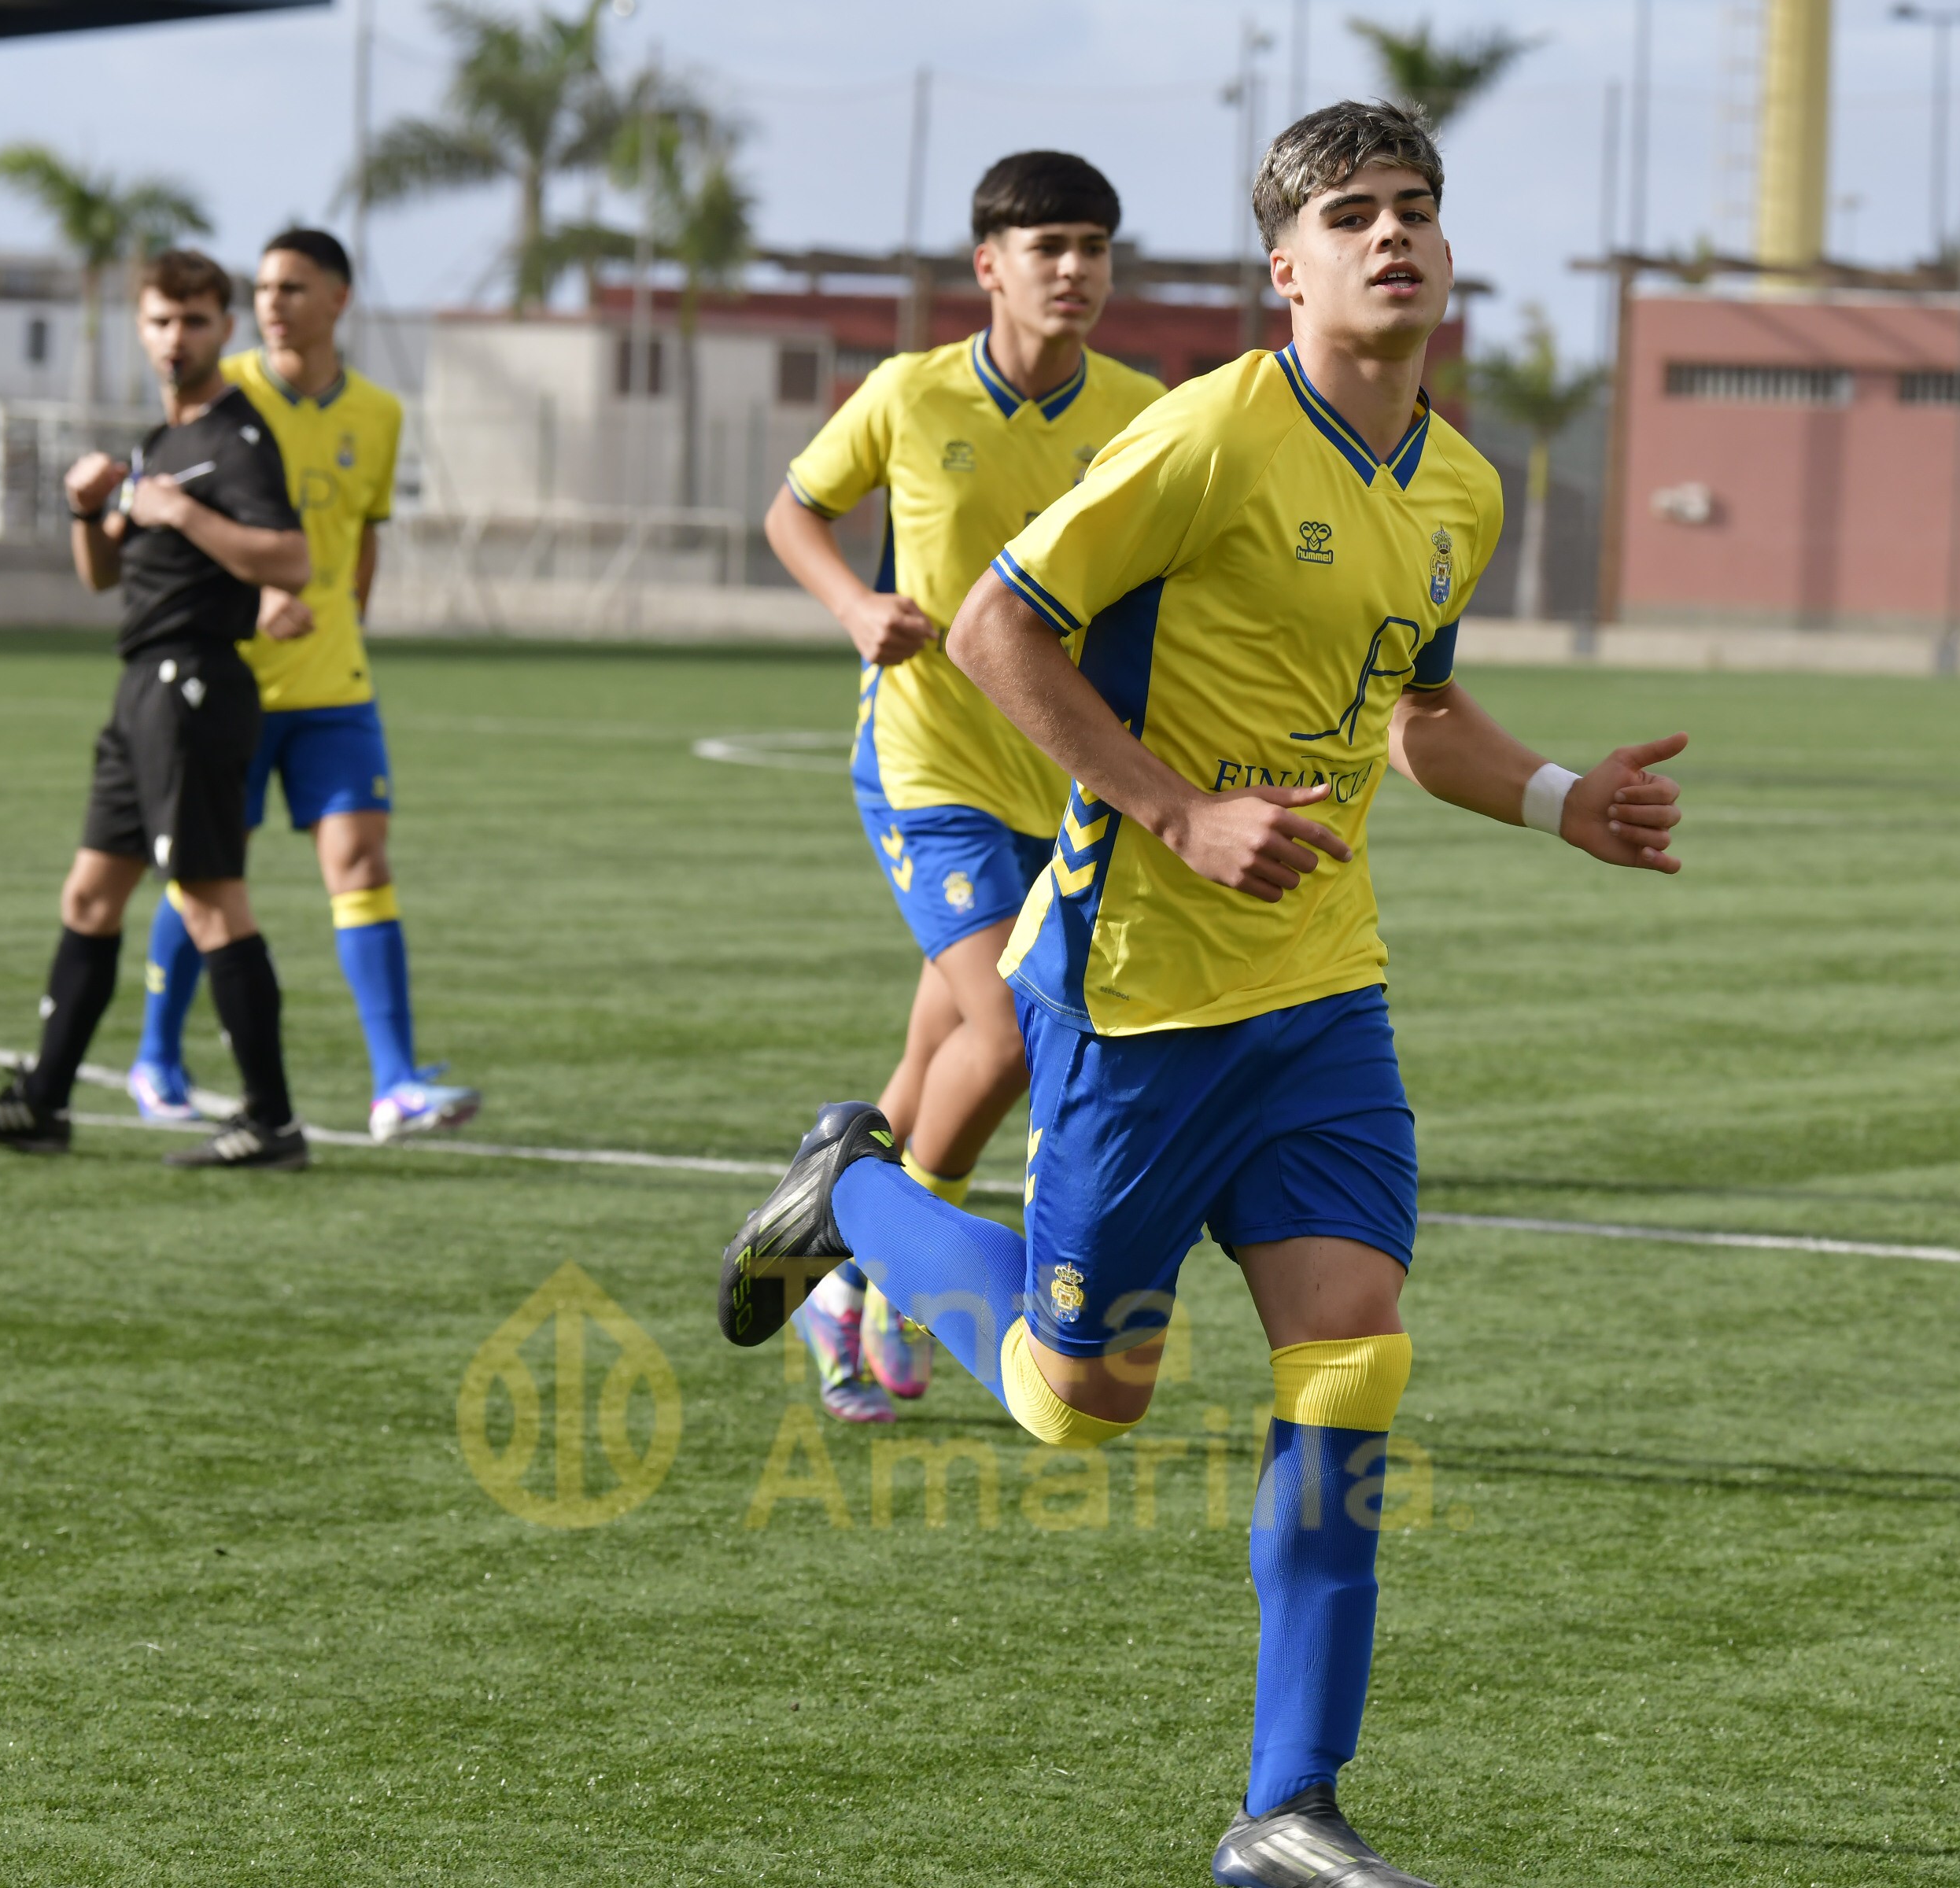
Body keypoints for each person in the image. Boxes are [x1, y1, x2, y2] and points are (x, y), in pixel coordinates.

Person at [717, 101, 1687, 1885]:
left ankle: (1285, 1811)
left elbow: (1419, 716)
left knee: (1352, 1356)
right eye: (1349, 213)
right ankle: (854, 1189)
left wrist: (1561, 799)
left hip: (1320, 997)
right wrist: (1174, 808)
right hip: (1134, 991)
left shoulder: (1458, 487)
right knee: (1071, 1400)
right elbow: (996, 625)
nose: (1390, 234)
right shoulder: (1207, 429)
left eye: (1414, 207)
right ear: (1283, 269)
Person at [762, 152, 1163, 1424]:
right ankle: (890, 1270)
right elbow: (792, 513)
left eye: (1094, 247)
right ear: (988, 264)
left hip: (1064, 780)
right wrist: (852, 605)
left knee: (940, 1045)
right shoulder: (906, 391)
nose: (1074, 269)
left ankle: (826, 1251)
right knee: (1004, 1034)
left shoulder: (1144, 411)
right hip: (926, 765)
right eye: (1048, 246)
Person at [0, 248, 315, 1171]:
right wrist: (85, 509)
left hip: (194, 687)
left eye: (193, 321)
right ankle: (43, 1104)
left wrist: (186, 516)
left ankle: (271, 1122)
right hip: (141, 688)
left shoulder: (237, 438)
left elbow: (290, 558)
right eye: (160, 321)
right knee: (90, 895)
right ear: (140, 329)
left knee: (210, 901)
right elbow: (102, 574)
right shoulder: (158, 443)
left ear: (223, 330)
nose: (175, 338)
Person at [128, 227, 479, 1145]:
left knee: (361, 861)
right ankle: (156, 1057)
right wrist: (248, 605)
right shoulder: (222, 397)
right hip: (229, 681)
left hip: (333, 686)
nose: (272, 303)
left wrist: (347, 619)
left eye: (291, 287)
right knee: (207, 873)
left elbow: (362, 536)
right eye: (263, 288)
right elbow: (170, 533)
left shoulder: (379, 413)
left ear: (338, 299)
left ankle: (394, 1084)